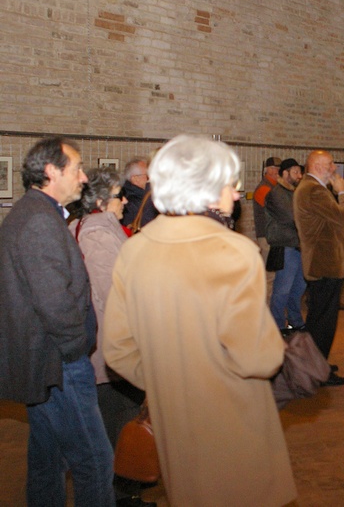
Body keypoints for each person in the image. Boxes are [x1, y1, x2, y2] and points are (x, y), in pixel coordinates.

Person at [103, 135, 296, 506]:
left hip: (172, 418)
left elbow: (117, 349)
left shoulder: (134, 249)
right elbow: (257, 357)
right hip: (234, 420)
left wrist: (168, 383)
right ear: (208, 192)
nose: (237, 195)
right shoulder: (234, 251)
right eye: (230, 186)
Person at [0, 137, 115, 506]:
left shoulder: (35, 213)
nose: (83, 177)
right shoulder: (37, 220)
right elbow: (54, 302)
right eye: (76, 168)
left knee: (47, 458)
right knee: (95, 461)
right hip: (58, 363)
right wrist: (76, 347)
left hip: (46, 361)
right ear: (52, 171)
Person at [69, 168, 154, 506]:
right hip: (111, 340)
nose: (123, 201)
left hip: (111, 338)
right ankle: (117, 493)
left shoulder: (95, 227)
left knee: (117, 415)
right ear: (102, 200)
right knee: (117, 419)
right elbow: (115, 291)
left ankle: (119, 489)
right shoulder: (96, 233)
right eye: (119, 196)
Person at [294, 149, 344, 386]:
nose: (334, 169)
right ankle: (318, 372)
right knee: (322, 323)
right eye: (330, 164)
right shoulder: (313, 190)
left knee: (318, 320)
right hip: (324, 264)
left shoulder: (312, 189)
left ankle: (314, 365)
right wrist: (343, 192)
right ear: (317, 166)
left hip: (323, 263)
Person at [265, 158, 306, 332]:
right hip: (286, 246)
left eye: (300, 172)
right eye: (295, 172)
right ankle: (277, 325)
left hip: (299, 246)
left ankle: (295, 321)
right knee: (282, 289)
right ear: (285, 173)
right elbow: (291, 217)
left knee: (298, 288)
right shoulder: (276, 193)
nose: (300, 175)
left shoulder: (296, 192)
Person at [253, 156, 282, 296]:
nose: (278, 172)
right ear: (269, 170)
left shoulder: (273, 187)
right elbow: (277, 209)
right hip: (266, 236)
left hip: (272, 236)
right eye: (276, 169)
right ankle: (264, 309)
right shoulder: (264, 188)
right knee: (268, 275)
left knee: (272, 274)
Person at [120, 158, 151, 226]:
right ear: (135, 179)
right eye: (148, 175)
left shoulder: (140, 196)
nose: (151, 178)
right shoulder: (130, 202)